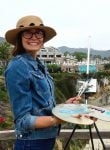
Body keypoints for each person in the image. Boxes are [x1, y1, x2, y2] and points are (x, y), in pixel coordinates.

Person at [4, 15, 81, 150]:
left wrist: (65, 106)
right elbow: (23, 121)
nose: (34, 37)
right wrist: (57, 119)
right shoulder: (18, 67)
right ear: (19, 38)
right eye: (28, 33)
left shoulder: (39, 65)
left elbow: (42, 107)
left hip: (45, 140)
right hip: (31, 143)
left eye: (39, 33)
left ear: (43, 39)